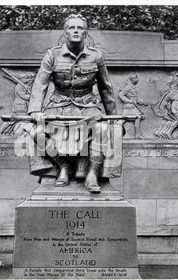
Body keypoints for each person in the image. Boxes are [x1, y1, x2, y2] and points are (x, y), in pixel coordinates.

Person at [25, 14, 119, 193]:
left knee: (104, 129)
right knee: (36, 131)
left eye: (80, 28)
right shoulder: (52, 55)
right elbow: (40, 84)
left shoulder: (96, 56)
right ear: (65, 32)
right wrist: (35, 110)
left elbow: (106, 88)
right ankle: (64, 167)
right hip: (58, 106)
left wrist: (113, 117)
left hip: (87, 107)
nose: (76, 31)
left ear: (86, 33)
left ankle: (92, 173)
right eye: (71, 28)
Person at [118, 74, 146, 139]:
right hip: (129, 107)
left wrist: (142, 102)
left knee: (137, 118)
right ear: (132, 79)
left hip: (133, 106)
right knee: (122, 120)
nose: (137, 79)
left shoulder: (132, 87)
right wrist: (128, 101)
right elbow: (121, 94)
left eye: (137, 77)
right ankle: (114, 132)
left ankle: (137, 135)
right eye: (135, 78)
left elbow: (134, 98)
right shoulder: (128, 87)